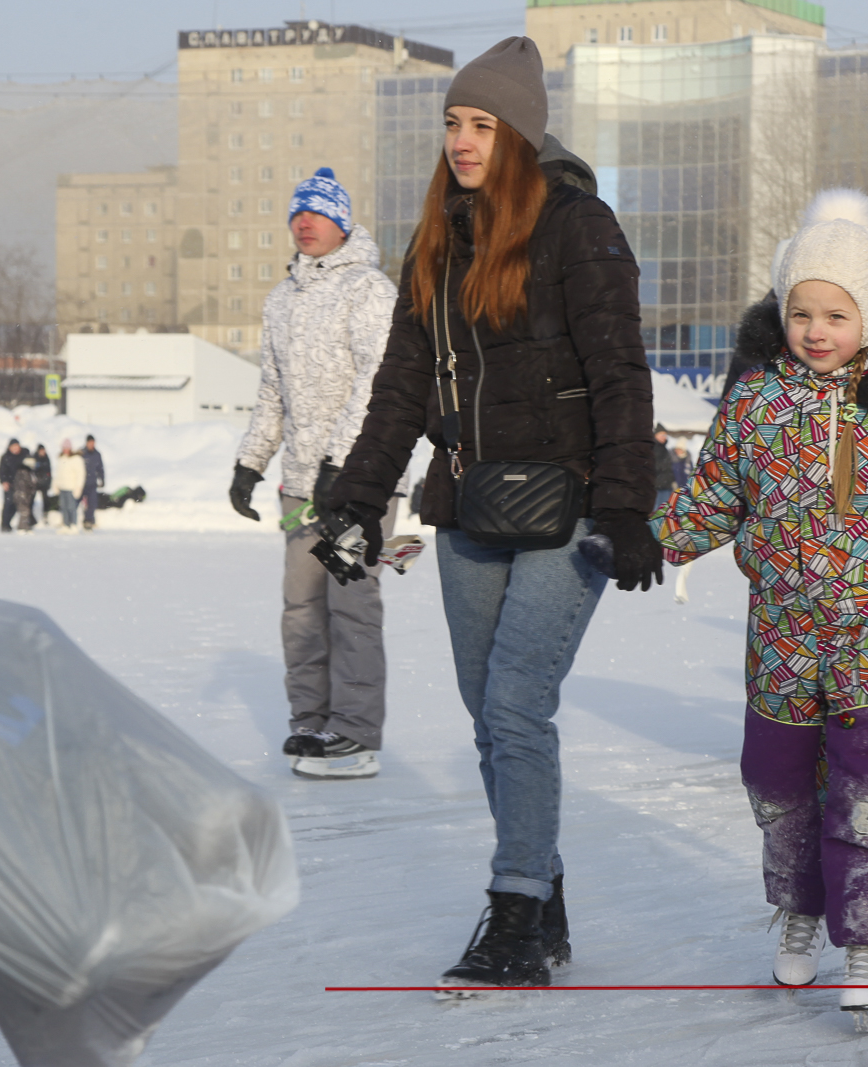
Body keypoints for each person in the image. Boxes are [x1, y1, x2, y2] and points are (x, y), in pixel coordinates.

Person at [325, 37, 660, 991]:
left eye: (482, 125)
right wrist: (354, 500)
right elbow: (399, 389)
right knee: (489, 716)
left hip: (570, 508)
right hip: (467, 506)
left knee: (517, 701)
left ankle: (514, 913)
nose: (463, 142)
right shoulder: (439, 238)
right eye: (453, 124)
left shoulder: (577, 226)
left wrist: (628, 505)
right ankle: (542, 893)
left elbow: (619, 375)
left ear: (519, 133)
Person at [655, 188, 868, 1025]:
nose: (816, 330)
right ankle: (804, 904)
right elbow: (713, 499)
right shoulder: (754, 404)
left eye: (836, 314)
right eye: (802, 312)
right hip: (781, 641)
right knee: (778, 784)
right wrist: (646, 541)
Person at [229, 165, 398, 780]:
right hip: (300, 490)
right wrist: (251, 462)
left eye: (318, 212)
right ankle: (311, 722)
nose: (305, 222)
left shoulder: (370, 291)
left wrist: (340, 467)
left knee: (351, 603)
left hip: (356, 487)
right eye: (298, 212)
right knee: (301, 607)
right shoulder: (282, 298)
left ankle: (355, 733)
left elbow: (378, 385)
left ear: (343, 222)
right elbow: (272, 391)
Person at [51, 439, 86, 533]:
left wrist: (78, 487)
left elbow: (80, 474)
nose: (65, 449)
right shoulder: (61, 458)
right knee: (63, 507)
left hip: (71, 487)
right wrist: (55, 485)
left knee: (72, 507)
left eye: (67, 447)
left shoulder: (76, 459)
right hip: (62, 487)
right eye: (64, 447)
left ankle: (74, 525)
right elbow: (57, 473)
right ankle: (66, 525)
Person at [0, 439, 26, 532]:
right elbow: (1, 471)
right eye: (13, 447)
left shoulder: (24, 455)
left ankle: (9, 523)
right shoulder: (6, 457)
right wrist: (4, 481)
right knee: (8, 504)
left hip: (21, 485)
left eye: (17, 446)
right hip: (10, 484)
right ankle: (4, 524)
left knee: (17, 505)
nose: (15, 449)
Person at [80, 436, 105, 530]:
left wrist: (102, 479)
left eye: (93, 443)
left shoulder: (97, 454)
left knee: (92, 503)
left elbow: (100, 468)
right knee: (78, 502)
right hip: (82, 483)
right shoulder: (82, 453)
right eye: (90, 442)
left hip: (92, 483)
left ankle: (88, 520)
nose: (92, 445)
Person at [11, 452, 38, 534]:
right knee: (24, 511)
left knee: (26, 511)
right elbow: (23, 486)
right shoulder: (23, 472)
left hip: (25, 496)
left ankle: (26, 526)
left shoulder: (29, 472)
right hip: (22, 496)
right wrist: (24, 496)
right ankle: (21, 528)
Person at [652, 423, 675, 510]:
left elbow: (669, 467)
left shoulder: (665, 448)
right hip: (655, 486)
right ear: (655, 435)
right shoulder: (652, 447)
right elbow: (652, 464)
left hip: (666, 486)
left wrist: (672, 480)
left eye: (665, 435)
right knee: (654, 511)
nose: (664, 437)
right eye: (662, 435)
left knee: (664, 511)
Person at [32, 444, 52, 523]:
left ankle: (45, 515)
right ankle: (30, 514)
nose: (42, 452)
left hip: (44, 483)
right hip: (36, 483)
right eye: (41, 450)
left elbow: (49, 471)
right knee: (31, 499)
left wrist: (49, 481)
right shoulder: (34, 458)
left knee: (45, 499)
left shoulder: (46, 458)